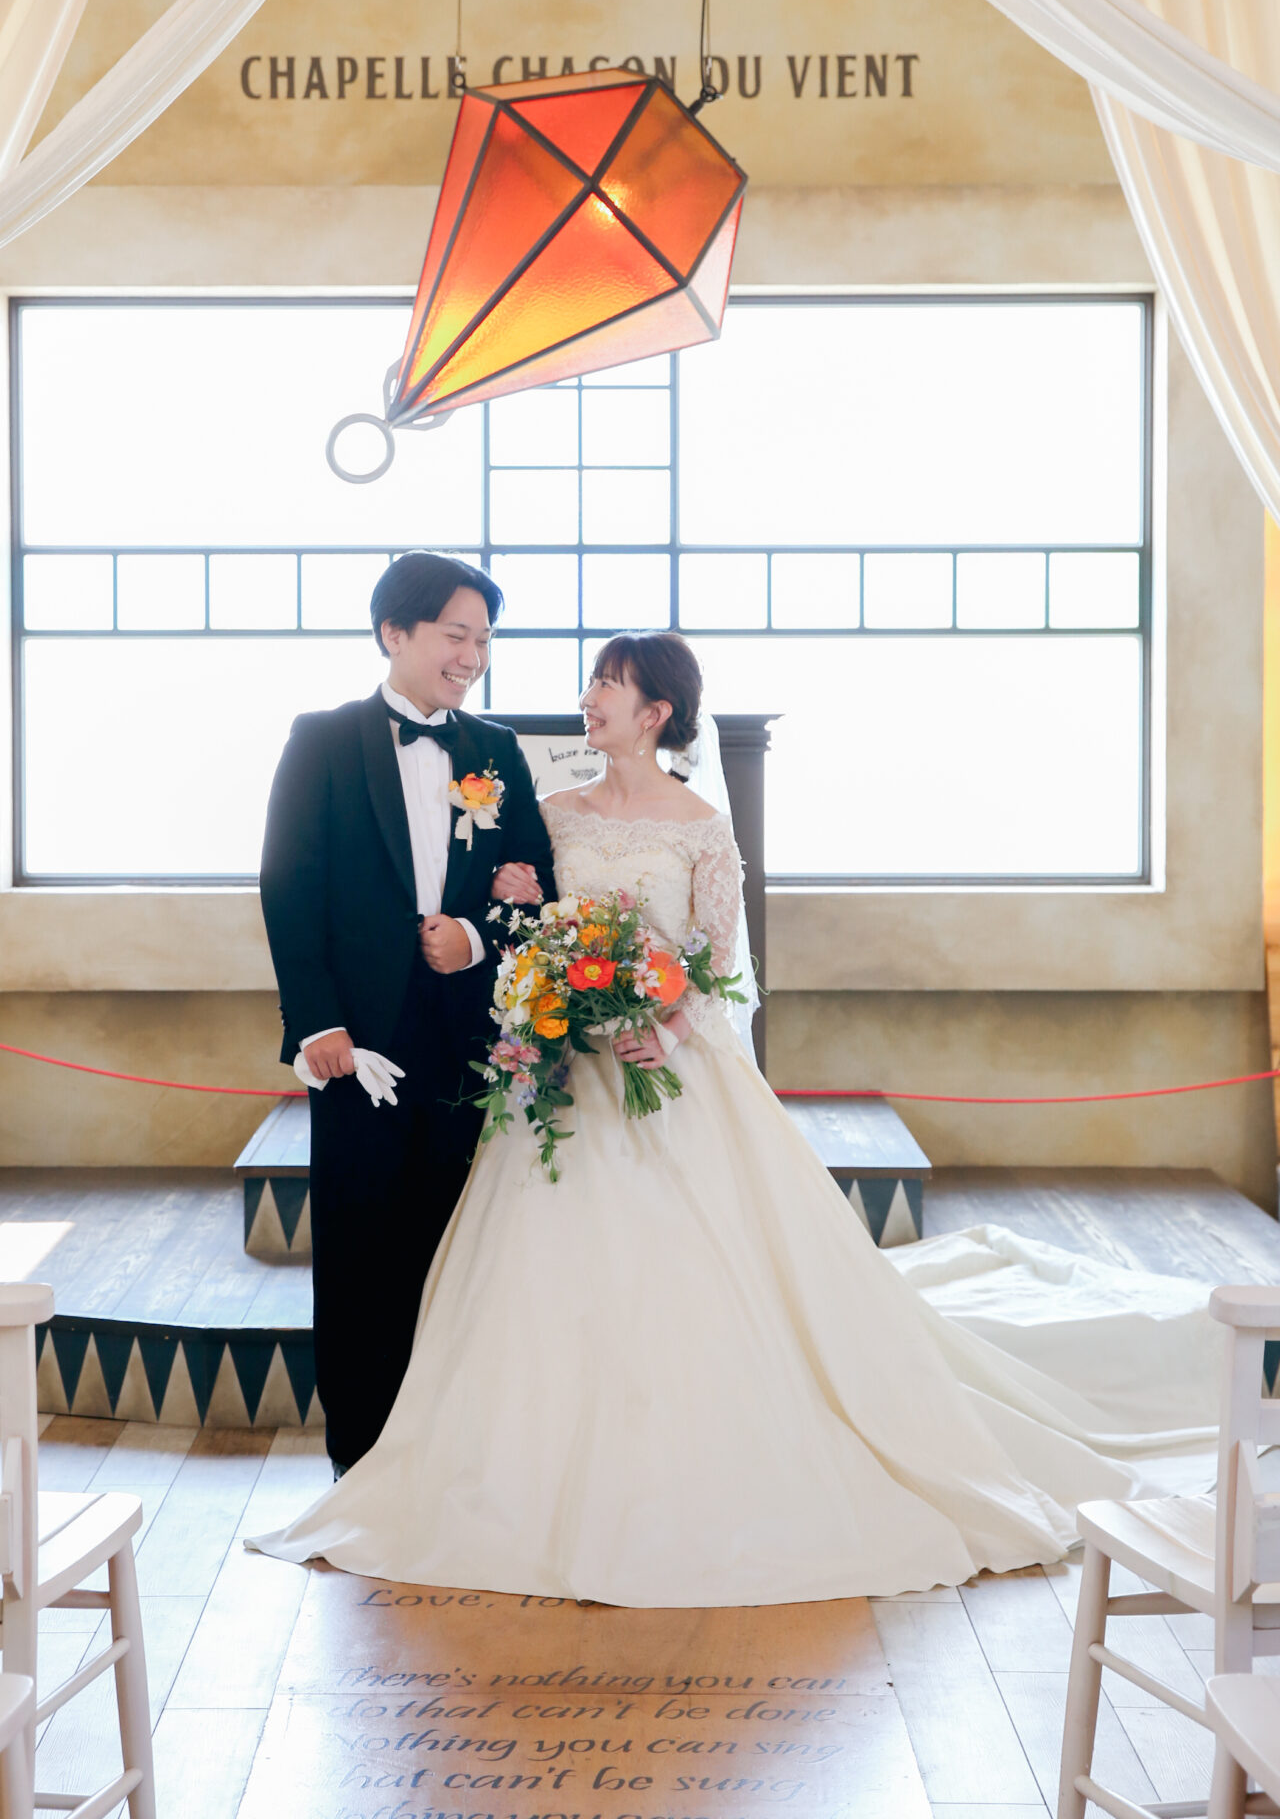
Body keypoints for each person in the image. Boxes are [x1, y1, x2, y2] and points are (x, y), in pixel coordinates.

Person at [250, 630, 1221, 1604]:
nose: (588, 699)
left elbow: (715, 965)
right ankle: (503, 1478)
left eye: (607, 685)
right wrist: (530, 942)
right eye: (591, 681)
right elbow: (525, 925)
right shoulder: (550, 815)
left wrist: (661, 1030)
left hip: (668, 1076)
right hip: (568, 1078)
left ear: (654, 713)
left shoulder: (702, 827)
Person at [258, 551, 556, 1478]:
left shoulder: (496, 750)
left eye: (484, 640)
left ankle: (449, 1465)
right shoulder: (322, 740)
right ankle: (360, 1470)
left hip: (470, 1045)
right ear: (394, 632)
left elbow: (537, 888)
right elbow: (289, 886)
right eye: (455, 635)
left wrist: (474, 935)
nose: (472, 657)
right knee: (358, 1255)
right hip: (361, 1047)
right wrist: (317, 1025)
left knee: (458, 1252)